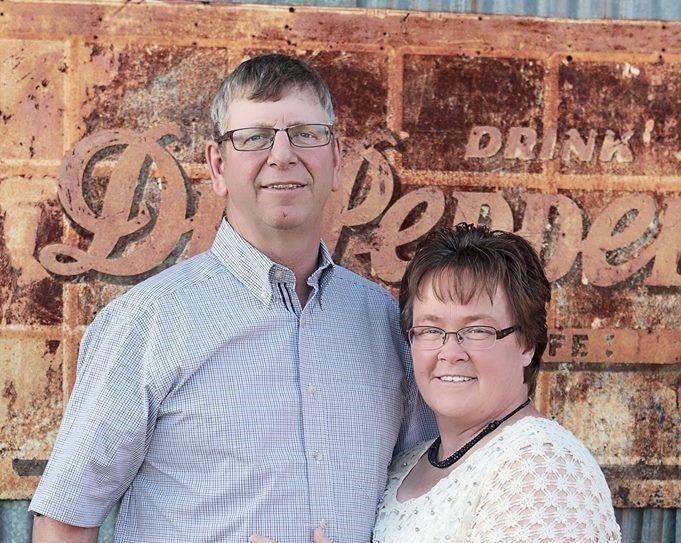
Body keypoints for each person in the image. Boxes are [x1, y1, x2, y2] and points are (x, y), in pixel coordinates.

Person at [29, 53, 435, 543]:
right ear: (217, 165)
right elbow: (65, 522)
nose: (283, 155)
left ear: (336, 157)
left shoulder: (385, 324)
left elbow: (424, 497)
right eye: (255, 138)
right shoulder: (147, 323)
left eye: (306, 133)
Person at [369, 224, 622, 542]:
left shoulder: (540, 464)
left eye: (477, 330)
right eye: (431, 330)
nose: (450, 352)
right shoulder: (407, 464)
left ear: (527, 343)